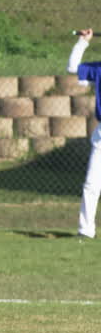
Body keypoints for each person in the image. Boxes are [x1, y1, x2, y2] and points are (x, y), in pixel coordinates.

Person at [67, 28, 99, 239]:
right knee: (91, 183)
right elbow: (72, 68)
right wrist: (82, 42)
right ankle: (85, 230)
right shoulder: (98, 69)